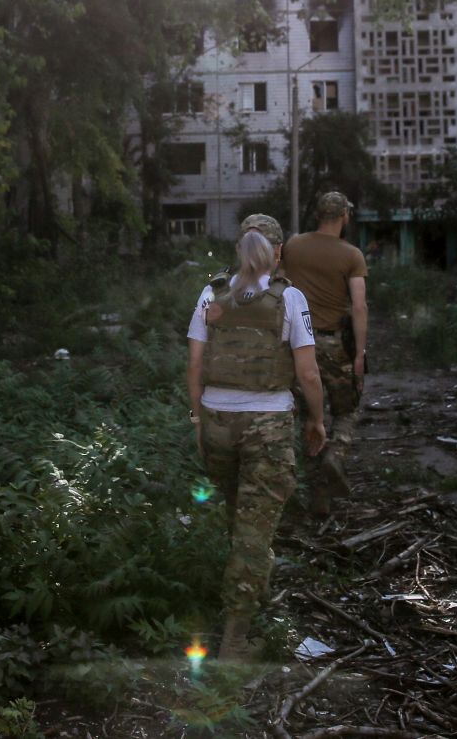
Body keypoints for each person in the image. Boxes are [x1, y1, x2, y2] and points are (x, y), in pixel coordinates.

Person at [186, 214, 326, 659]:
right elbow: (307, 372)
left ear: (239, 248)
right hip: (266, 425)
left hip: (216, 423)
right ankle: (235, 641)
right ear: (277, 252)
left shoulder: (213, 293)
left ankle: (249, 596)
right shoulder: (290, 298)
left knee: (239, 519)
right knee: (252, 531)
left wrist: (198, 420)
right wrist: (317, 420)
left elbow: (194, 364)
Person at [281, 191, 368, 518]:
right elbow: (359, 306)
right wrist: (359, 352)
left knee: (309, 418)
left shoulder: (292, 246)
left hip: (297, 345)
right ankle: (336, 457)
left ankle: (319, 497)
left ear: (317, 215)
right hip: (334, 344)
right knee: (346, 410)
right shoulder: (352, 254)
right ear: (344, 216)